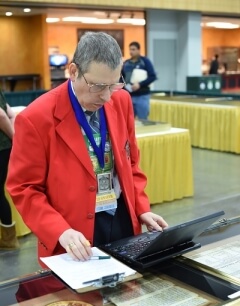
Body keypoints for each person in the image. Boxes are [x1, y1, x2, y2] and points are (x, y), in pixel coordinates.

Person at [7, 32, 168, 267]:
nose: (105, 96)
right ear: (73, 72)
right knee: (80, 303)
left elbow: (130, 163)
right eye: (98, 86)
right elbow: (24, 188)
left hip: (122, 218)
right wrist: (59, 229)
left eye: (113, 85)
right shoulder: (36, 118)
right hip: (73, 232)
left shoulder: (120, 101)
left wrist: (141, 208)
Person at [0, 90, 19, 250]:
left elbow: (1, 115)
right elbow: (10, 113)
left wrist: (15, 139)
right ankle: (8, 239)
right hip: (4, 147)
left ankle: (9, 240)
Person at [122, 41, 157, 122]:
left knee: (143, 120)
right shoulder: (126, 63)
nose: (131, 51)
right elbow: (122, 78)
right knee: (129, 121)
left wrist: (140, 84)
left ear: (138, 50)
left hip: (142, 96)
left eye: (133, 49)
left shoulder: (145, 62)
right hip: (129, 96)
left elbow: (152, 76)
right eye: (130, 49)